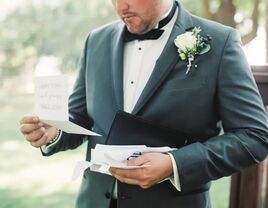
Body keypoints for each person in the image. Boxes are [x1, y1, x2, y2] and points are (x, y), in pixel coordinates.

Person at [20, 0, 268, 207]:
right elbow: (81, 117)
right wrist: (53, 132)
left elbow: (254, 136)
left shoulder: (220, 41)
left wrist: (174, 165)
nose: (121, 6)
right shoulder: (95, 40)